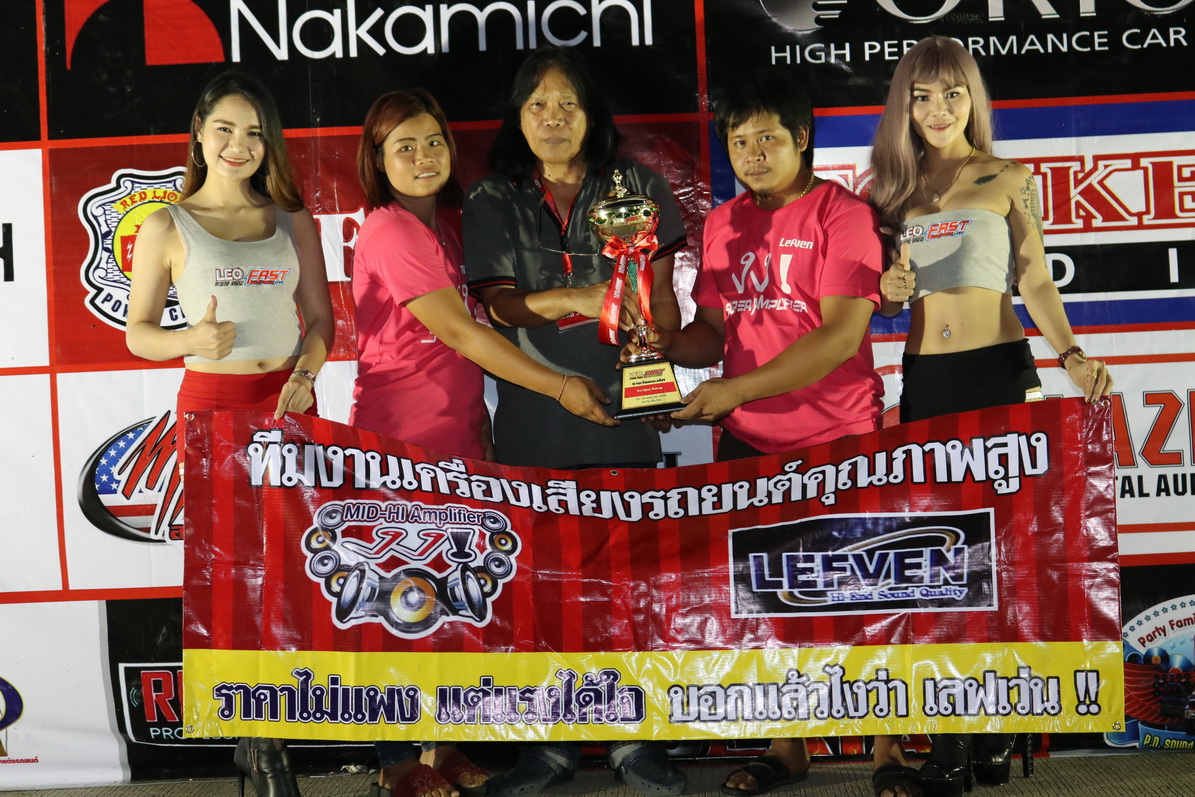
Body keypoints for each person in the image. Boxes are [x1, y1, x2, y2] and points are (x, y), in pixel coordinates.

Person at [348, 87, 616, 797]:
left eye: (433, 141)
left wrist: (487, 429)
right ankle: (395, 762)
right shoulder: (389, 230)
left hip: (459, 436)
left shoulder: (444, 225)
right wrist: (560, 386)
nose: (422, 156)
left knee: (446, 600)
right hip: (402, 442)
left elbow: (472, 345)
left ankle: (441, 751)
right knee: (401, 601)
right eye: (403, 146)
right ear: (377, 159)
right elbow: (463, 334)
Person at [625, 71, 886, 795]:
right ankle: (786, 746)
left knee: (859, 594)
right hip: (747, 439)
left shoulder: (843, 215)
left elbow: (839, 337)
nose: (753, 153)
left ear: (801, 139)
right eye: (739, 142)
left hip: (838, 434)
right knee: (766, 599)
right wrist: (658, 346)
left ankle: (889, 749)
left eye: (768, 137)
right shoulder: (722, 224)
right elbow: (712, 336)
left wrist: (733, 389)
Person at [870, 36, 1113, 797]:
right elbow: (881, 297)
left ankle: (984, 730)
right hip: (925, 382)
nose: (938, 109)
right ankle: (965, 735)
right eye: (922, 95)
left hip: (1000, 375)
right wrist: (888, 292)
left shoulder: (1008, 177)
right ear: (905, 105)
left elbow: (1034, 276)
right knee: (944, 565)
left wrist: (1072, 353)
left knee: (1004, 557)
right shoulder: (887, 190)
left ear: (972, 98)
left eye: (952, 93)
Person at [461, 46, 688, 797]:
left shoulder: (639, 187)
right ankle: (549, 746)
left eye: (567, 104)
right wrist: (581, 298)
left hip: (626, 418)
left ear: (592, 115)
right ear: (518, 117)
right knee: (543, 593)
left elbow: (664, 301)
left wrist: (654, 347)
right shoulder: (493, 196)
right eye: (537, 105)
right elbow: (499, 306)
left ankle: (635, 743)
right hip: (536, 423)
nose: (553, 118)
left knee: (631, 590)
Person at [125, 72, 334, 797]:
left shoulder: (291, 218)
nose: (239, 145)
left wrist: (305, 372)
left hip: (287, 406)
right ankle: (264, 746)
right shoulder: (166, 224)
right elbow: (139, 334)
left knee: (289, 571)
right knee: (235, 577)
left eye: (254, 133)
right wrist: (190, 338)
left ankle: (262, 735)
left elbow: (321, 320)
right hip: (213, 406)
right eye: (225, 129)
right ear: (198, 130)